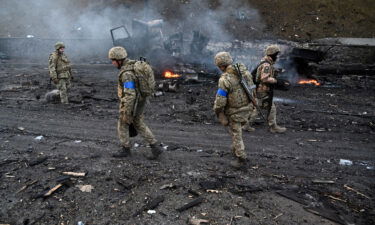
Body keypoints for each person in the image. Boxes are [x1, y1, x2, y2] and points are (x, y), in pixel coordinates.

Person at [108, 46, 163, 159]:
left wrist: (126, 111)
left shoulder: (127, 74)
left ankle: (125, 149)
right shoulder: (133, 64)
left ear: (119, 60)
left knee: (123, 124)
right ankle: (155, 147)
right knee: (138, 123)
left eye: (113, 60)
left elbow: (130, 94)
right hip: (141, 100)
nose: (112, 63)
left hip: (133, 102)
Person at [213, 52, 254, 169]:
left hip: (234, 111)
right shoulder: (244, 72)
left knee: (236, 134)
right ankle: (235, 148)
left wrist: (218, 111)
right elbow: (252, 89)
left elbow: (220, 100)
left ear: (221, 66)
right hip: (247, 108)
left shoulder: (225, 79)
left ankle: (241, 158)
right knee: (237, 131)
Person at [244, 45, 286, 133]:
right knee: (265, 107)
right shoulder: (267, 65)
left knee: (265, 107)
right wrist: (276, 81)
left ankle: (247, 125)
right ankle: (272, 127)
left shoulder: (265, 63)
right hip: (262, 90)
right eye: (276, 55)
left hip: (260, 90)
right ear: (272, 54)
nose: (277, 57)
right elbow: (264, 78)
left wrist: (276, 71)